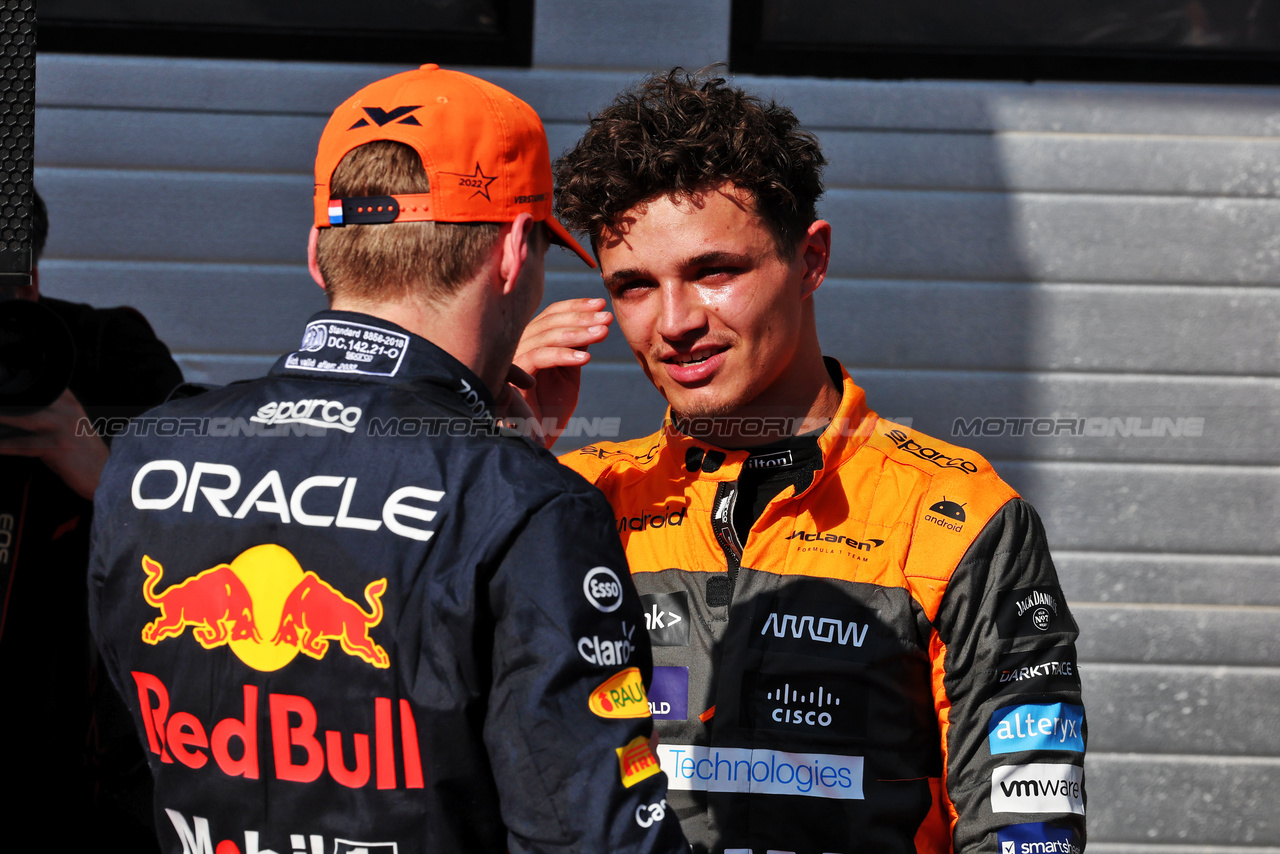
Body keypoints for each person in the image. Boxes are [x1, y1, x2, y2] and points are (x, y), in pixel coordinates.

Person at [89, 65, 687, 854]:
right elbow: (592, 837)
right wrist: (502, 477)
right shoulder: (528, 505)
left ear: (317, 250)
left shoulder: (149, 450)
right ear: (513, 251)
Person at [517, 69, 1087, 854]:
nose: (674, 322)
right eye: (635, 286)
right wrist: (501, 459)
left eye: (715, 271)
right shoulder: (571, 498)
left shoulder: (958, 517)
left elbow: (1027, 829)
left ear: (811, 260)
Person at [0, 188, 183, 848]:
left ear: (29, 286)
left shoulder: (105, 356)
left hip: (84, 790)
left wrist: (101, 472)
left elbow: (212, 551)